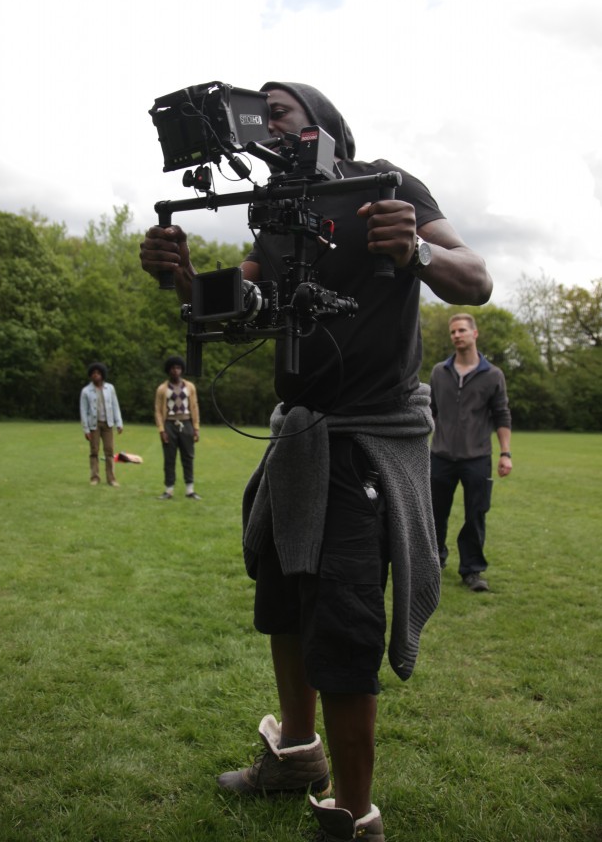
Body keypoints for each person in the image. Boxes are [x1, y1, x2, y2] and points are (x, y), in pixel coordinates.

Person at [140, 81, 493, 842]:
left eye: (278, 113)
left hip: (367, 438)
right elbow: (236, 308)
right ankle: (297, 755)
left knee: (343, 619)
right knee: (286, 600)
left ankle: (352, 814)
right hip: (300, 438)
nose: (262, 126)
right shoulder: (273, 217)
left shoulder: (385, 185)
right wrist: (180, 275)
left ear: (326, 127)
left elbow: (477, 278)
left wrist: (419, 248)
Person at [429, 313, 512, 592]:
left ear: (474, 334)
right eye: (453, 332)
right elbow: (431, 413)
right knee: (435, 514)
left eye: (462, 330)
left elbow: (502, 415)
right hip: (440, 456)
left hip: (477, 458)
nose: (456, 335)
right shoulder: (439, 372)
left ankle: (472, 571)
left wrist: (505, 454)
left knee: (475, 515)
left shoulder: (493, 375)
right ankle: (434, 563)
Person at [154, 355, 201, 500]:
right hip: (169, 425)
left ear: (182, 370)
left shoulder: (189, 387)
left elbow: (194, 407)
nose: (176, 371)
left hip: (186, 424)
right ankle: (169, 490)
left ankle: (190, 490)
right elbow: (157, 410)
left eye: (178, 368)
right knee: (169, 458)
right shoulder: (162, 389)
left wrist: (196, 427)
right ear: (168, 370)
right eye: (173, 368)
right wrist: (162, 430)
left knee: (188, 457)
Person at [79, 362, 123, 486]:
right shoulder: (86, 391)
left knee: (109, 451)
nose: (96, 375)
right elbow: (83, 411)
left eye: (98, 373)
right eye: (93, 373)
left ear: (103, 375)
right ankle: (94, 478)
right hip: (94, 425)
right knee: (94, 451)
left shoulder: (110, 388)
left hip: (108, 424)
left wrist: (119, 423)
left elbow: (115, 406)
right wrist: (86, 430)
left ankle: (112, 479)